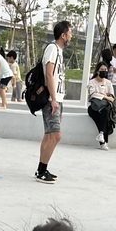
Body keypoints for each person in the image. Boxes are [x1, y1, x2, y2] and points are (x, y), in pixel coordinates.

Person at [36, 20, 72, 184]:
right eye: (70, 33)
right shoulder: (52, 49)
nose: (71, 35)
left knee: (49, 135)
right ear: (63, 35)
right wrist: (54, 100)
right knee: (55, 135)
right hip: (52, 99)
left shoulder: (59, 51)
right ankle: (42, 170)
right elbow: (49, 75)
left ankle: (41, 169)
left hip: (57, 98)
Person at [87, 60, 116, 150]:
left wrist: (105, 96)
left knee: (106, 112)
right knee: (102, 118)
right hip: (94, 107)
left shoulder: (108, 83)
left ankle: (101, 136)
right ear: (97, 71)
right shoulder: (92, 82)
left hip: (105, 107)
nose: (104, 72)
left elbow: (112, 96)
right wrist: (105, 96)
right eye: (102, 70)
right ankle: (104, 142)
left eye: (105, 70)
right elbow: (92, 95)